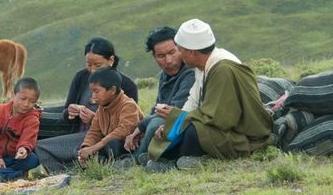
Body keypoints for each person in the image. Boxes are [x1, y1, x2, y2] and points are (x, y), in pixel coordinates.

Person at [146, 19, 273, 172]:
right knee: (179, 126)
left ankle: (178, 161)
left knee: (193, 130)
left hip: (243, 134)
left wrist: (180, 118)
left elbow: (218, 118)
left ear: (192, 52)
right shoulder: (202, 65)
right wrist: (174, 122)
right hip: (223, 127)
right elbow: (192, 101)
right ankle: (168, 159)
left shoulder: (223, 69)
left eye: (179, 50)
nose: (178, 55)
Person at [35, 37, 138, 172]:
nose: (93, 70)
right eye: (89, 64)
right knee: (33, 123)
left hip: (106, 136)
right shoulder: (81, 77)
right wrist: (71, 111)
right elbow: (66, 111)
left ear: (111, 60)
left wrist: (94, 118)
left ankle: (69, 169)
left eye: (98, 65)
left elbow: (126, 126)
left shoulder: (126, 85)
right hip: (78, 131)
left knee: (42, 146)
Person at [120, 27, 196, 166]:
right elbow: (157, 108)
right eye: (161, 56)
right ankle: (142, 157)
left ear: (181, 48)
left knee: (155, 123)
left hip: (186, 125)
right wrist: (139, 128)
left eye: (172, 52)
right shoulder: (164, 75)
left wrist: (142, 126)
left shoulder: (190, 73)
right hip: (167, 126)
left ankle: (135, 161)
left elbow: (173, 111)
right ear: (154, 57)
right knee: (137, 126)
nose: (168, 60)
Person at [76, 67, 143, 166]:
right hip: (107, 144)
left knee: (113, 143)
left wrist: (93, 148)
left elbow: (123, 131)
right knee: (78, 149)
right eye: (92, 91)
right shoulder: (101, 108)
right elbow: (94, 131)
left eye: (97, 91)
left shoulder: (128, 104)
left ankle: (126, 161)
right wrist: (86, 147)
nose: (93, 96)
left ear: (112, 90)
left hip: (128, 146)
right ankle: (99, 162)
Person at [0, 77, 42, 181]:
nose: (26, 104)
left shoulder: (32, 119)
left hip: (15, 159)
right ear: (13, 95)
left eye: (32, 101)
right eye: (23, 99)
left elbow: (28, 139)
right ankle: (16, 175)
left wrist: (23, 149)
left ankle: (0, 175)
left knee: (32, 160)